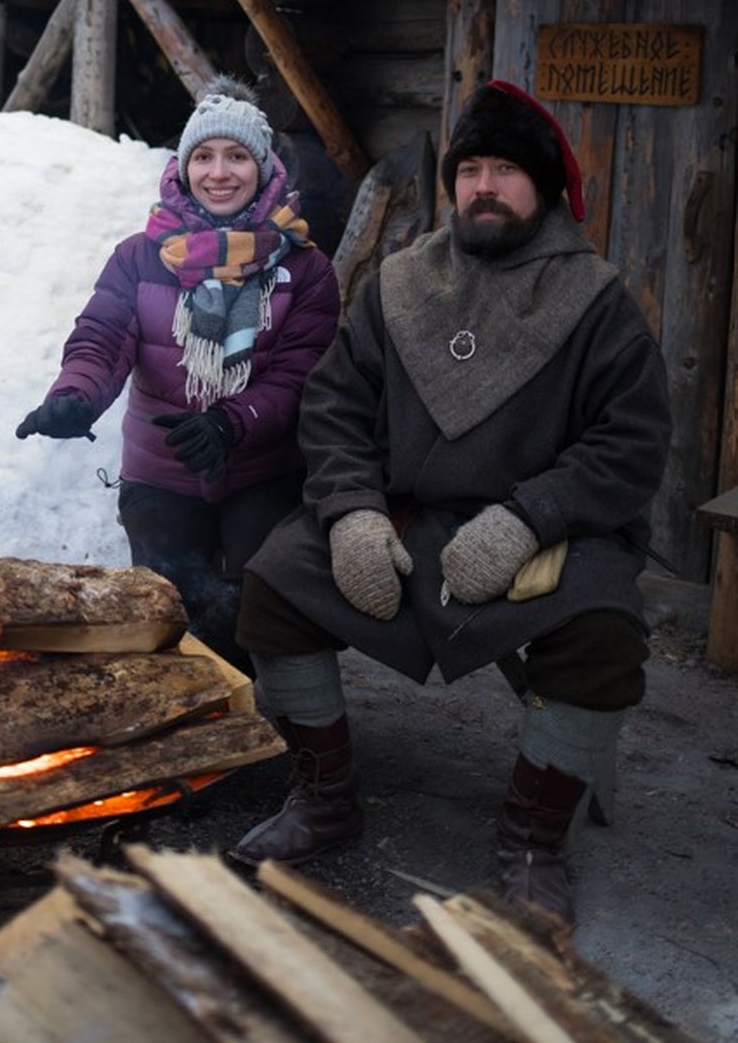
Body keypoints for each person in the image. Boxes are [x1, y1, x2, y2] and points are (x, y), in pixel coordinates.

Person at [231, 79, 672, 927]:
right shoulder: (399, 282)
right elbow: (334, 407)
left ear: (540, 187)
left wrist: (527, 517)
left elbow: (630, 445)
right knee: (278, 581)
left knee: (602, 632)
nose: (484, 186)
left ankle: (536, 839)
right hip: (406, 520)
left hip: (550, 531)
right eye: (470, 169)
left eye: (505, 169)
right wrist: (354, 511)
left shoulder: (599, 302)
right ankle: (324, 796)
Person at [15, 79, 341, 675]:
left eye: (237, 156)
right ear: (183, 167)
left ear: (264, 167)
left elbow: (302, 374)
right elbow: (102, 339)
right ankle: (183, 726)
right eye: (204, 157)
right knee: (168, 608)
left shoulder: (306, 268)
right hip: (161, 469)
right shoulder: (139, 257)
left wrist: (230, 423)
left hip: (263, 466)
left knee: (259, 607)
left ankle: (270, 725)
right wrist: (74, 397)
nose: (220, 172)